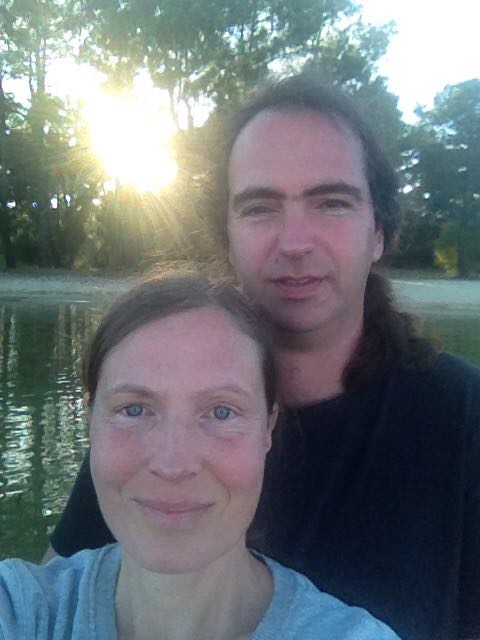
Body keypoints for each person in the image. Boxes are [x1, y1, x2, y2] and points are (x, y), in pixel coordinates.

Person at [48, 75, 480, 640]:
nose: (295, 242)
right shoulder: (157, 409)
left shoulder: (466, 418)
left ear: (378, 232)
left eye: (331, 203)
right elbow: (56, 599)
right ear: (226, 236)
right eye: (259, 207)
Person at [0, 276, 401, 640]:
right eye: (134, 409)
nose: (173, 466)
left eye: (221, 412)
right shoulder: (23, 609)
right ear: (90, 421)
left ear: (268, 427)